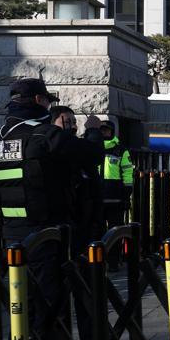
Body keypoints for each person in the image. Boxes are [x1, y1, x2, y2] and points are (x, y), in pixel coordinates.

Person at [0, 78, 104, 340]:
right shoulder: (45, 135)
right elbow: (91, 154)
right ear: (38, 100)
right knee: (45, 317)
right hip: (47, 237)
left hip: (12, 237)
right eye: (47, 102)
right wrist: (93, 129)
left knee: (21, 314)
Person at [50, 104, 105, 254]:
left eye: (74, 122)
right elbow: (93, 153)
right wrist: (93, 130)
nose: (73, 127)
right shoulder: (56, 147)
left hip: (86, 221)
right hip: (68, 220)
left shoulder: (76, 146)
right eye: (67, 122)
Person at [97, 120, 134, 231]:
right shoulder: (93, 148)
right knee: (98, 231)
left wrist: (127, 193)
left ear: (112, 132)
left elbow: (127, 172)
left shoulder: (121, 150)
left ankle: (116, 249)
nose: (103, 132)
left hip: (115, 198)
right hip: (97, 198)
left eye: (106, 130)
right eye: (101, 130)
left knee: (116, 231)